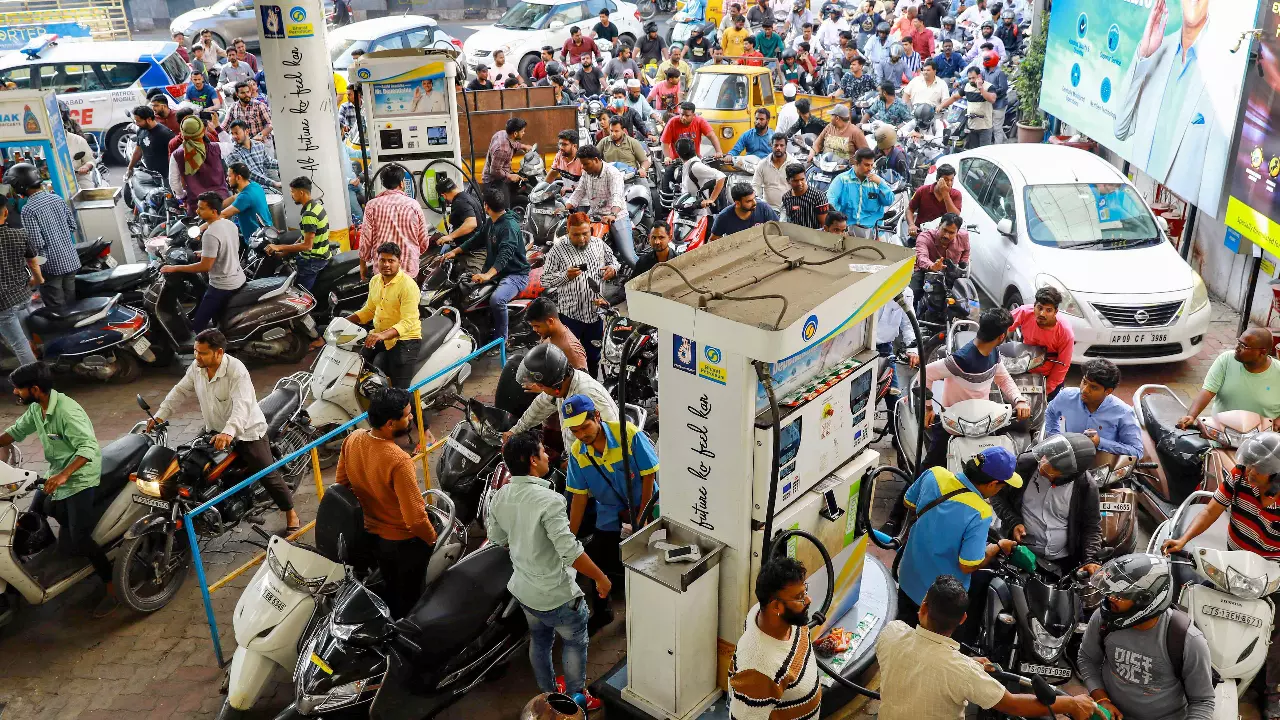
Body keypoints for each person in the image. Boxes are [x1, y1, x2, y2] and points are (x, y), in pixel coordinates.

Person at [488, 431, 611, 711]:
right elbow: (571, 551)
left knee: (540, 641)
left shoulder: (501, 494)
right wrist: (601, 578)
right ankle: (576, 699)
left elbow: (497, 538)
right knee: (575, 642)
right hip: (557, 595)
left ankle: (548, 694)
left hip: (524, 591)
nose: (547, 456)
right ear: (533, 460)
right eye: (543, 452)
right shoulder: (550, 501)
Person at [878, 575, 1099, 720]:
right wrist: (1070, 703)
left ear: (923, 608)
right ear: (963, 619)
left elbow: (923, 661)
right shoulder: (962, 671)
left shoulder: (892, 633)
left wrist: (970, 663)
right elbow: (1013, 705)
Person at [0, 363, 117, 615]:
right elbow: (15, 432)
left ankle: (111, 588)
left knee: (81, 538)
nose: (14, 393)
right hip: (54, 474)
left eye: (18, 389)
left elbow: (88, 448)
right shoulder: (37, 408)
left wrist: (65, 475)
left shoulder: (67, 412)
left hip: (79, 479)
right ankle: (58, 560)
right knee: (32, 518)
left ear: (34, 389)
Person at [153, 326, 298, 529]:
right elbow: (180, 391)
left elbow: (242, 405)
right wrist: (161, 415)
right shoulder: (197, 368)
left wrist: (229, 432)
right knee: (194, 465)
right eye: (195, 351)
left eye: (202, 353)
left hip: (246, 431)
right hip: (215, 430)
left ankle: (291, 513)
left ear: (219, 352)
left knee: (267, 473)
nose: (197, 357)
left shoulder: (236, 371)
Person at [334, 388, 437, 618]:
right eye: (408, 415)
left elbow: (341, 485)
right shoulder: (398, 460)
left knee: (391, 589)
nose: (412, 417)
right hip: (401, 543)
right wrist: (431, 539)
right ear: (390, 423)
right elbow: (416, 519)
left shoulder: (353, 439)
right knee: (410, 598)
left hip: (371, 535)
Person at [1078, 554, 1215, 720]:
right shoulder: (1104, 618)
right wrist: (1102, 699)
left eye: (1120, 595)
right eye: (1110, 592)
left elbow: (1203, 701)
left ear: (1145, 600)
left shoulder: (1188, 641)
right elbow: (1087, 658)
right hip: (1110, 712)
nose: (1109, 599)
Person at [895, 446, 1023, 623]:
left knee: (903, 629)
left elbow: (908, 501)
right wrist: (996, 547)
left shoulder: (935, 474)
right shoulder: (980, 512)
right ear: (993, 484)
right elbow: (968, 565)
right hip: (939, 600)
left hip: (908, 578)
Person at [564, 394, 658, 628]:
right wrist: (568, 537)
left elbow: (649, 475)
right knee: (596, 559)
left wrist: (642, 517)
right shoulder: (578, 452)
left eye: (585, 427)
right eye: (575, 431)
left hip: (644, 508)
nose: (581, 435)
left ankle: (644, 613)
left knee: (647, 563)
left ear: (597, 416)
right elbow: (579, 496)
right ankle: (603, 611)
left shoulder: (628, 434)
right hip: (608, 514)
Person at [992, 433, 1102, 576]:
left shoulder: (1085, 486)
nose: (1043, 466)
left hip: (1063, 562)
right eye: (1045, 458)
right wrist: (1014, 522)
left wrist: (1090, 559)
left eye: (1052, 469)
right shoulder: (1024, 466)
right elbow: (997, 496)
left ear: (1068, 475)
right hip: (1021, 555)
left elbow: (1092, 526)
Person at [727, 556, 823, 719]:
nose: (808, 600)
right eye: (799, 597)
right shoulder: (758, 669)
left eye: (805, 591)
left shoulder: (766, 614)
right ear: (776, 606)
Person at [540, 211, 620, 375]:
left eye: (586, 233)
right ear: (568, 231)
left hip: (595, 315)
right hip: (570, 316)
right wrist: (564, 276)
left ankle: (591, 388)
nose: (582, 238)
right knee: (570, 359)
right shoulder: (558, 250)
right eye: (576, 235)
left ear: (590, 229)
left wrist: (613, 269)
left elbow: (615, 262)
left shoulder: (599, 244)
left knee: (593, 357)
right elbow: (544, 280)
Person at [507, 343, 619, 453]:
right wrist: (516, 430)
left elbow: (614, 436)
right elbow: (540, 406)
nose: (541, 390)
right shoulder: (562, 386)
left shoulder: (587, 394)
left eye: (541, 386)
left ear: (556, 385)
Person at [163, 192, 245, 332]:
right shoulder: (229, 224)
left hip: (222, 286)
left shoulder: (210, 233)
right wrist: (204, 253)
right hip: (239, 278)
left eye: (201, 208)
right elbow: (227, 248)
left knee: (199, 325)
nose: (196, 211)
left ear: (213, 211)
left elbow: (205, 266)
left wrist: (175, 268)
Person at [346, 243, 422, 389]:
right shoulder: (375, 281)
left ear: (399, 262)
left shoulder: (408, 286)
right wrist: (345, 322)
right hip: (380, 335)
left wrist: (382, 336)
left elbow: (408, 322)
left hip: (405, 340)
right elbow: (369, 309)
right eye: (382, 260)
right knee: (359, 367)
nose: (386, 264)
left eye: (391, 261)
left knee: (399, 392)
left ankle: (409, 412)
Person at [1176, 327, 1280, 430]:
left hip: (1261, 439)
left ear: (1262, 352)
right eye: (1238, 342)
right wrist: (1192, 416)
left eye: (1243, 346)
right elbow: (1208, 391)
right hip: (1222, 433)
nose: (1237, 348)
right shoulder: (1226, 360)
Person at [1046, 359, 1144, 459]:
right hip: (1070, 459)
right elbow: (1050, 412)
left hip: (1103, 467)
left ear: (1108, 391)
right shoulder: (1066, 396)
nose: (1084, 390)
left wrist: (1100, 443)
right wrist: (1055, 437)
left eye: (1093, 387)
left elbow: (1136, 452)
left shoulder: (1123, 413)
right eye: (1084, 382)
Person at [12, 164, 79, 310]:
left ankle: (63, 330)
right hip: (71, 259)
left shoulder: (28, 209)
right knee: (72, 304)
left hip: (51, 265)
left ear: (20, 186)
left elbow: (36, 243)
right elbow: (72, 226)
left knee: (58, 308)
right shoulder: (56, 198)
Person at [563, 146, 634, 268]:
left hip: (616, 217)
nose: (583, 167)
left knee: (629, 256)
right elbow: (579, 192)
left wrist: (613, 215)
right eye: (582, 165)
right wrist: (565, 208)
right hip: (594, 216)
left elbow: (616, 196)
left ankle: (647, 280)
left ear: (596, 159)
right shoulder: (586, 173)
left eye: (586, 164)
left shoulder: (612, 173)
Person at [359, 164, 430, 281]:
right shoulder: (413, 205)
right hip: (409, 271)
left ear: (383, 184)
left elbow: (365, 240)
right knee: (408, 299)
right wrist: (412, 255)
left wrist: (363, 265)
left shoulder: (372, 205)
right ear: (401, 183)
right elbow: (423, 241)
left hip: (383, 271)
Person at [1008, 286, 1075, 398]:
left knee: (1047, 412)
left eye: (1048, 310)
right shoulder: (1024, 312)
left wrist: (1046, 389)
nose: (1042, 314)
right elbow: (1003, 326)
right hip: (1024, 369)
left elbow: (1063, 364)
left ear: (1055, 312)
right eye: (1039, 308)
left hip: (1049, 377)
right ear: (1034, 306)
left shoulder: (1065, 332)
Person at [265, 176, 331, 291]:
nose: (291, 195)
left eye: (292, 192)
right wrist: (285, 252)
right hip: (322, 254)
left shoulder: (309, 215)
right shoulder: (317, 206)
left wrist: (278, 247)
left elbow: (307, 245)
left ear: (301, 193)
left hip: (313, 260)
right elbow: (305, 236)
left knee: (300, 294)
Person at [0, 199, 38, 364]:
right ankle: (38, 360)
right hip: (23, 297)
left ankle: (35, 382)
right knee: (26, 337)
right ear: (6, 212)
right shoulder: (20, 234)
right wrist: (38, 279)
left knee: (19, 344)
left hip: (4, 304)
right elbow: (33, 261)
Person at [170, 115, 230, 216]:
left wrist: (183, 197)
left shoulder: (177, 155)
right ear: (202, 131)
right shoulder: (216, 148)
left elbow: (174, 183)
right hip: (221, 204)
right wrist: (217, 126)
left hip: (196, 206)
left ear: (183, 133)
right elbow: (229, 144)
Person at [827, 147, 894, 234]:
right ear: (856, 163)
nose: (870, 168)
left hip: (873, 231)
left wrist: (880, 184)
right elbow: (830, 202)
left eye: (871, 165)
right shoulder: (842, 180)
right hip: (847, 230)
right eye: (866, 165)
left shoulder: (877, 182)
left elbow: (889, 201)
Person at [874, 285, 917, 413]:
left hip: (885, 349)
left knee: (894, 396)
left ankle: (895, 430)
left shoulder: (907, 293)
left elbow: (908, 323)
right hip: (863, 350)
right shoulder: (875, 289)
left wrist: (912, 349)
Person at [436, 176, 485, 272]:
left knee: (468, 284)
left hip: (473, 253)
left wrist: (450, 236)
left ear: (443, 195)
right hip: (465, 248)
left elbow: (471, 223)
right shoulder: (467, 197)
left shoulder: (460, 202)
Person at [527, 297, 589, 372]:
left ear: (550, 321)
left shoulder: (572, 350)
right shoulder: (547, 334)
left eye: (537, 326)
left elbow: (581, 381)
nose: (534, 329)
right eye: (533, 326)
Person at [483, 117, 533, 208]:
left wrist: (523, 146)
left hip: (502, 172)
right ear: (515, 133)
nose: (524, 133)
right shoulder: (502, 150)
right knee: (504, 210)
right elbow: (494, 172)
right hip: (495, 181)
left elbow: (513, 143)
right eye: (522, 131)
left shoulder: (502, 133)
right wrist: (509, 176)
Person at [675, 137, 727, 215]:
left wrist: (711, 199)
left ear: (678, 153)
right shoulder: (688, 164)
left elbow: (721, 176)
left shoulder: (696, 167)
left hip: (700, 213)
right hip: (688, 209)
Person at [221, 162, 270, 244]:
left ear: (238, 177)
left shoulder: (245, 197)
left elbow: (223, 215)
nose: (226, 179)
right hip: (267, 232)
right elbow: (234, 197)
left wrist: (201, 228)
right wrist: (215, 206)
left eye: (229, 176)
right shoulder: (254, 186)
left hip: (257, 240)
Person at [906, 163, 961, 236]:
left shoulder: (956, 194)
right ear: (938, 179)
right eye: (946, 180)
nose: (949, 183)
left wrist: (945, 194)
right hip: (921, 233)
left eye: (951, 180)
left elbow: (955, 216)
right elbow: (910, 209)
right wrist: (911, 225)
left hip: (942, 236)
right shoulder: (922, 190)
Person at [710, 185, 779, 241]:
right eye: (749, 201)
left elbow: (777, 229)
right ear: (738, 203)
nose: (754, 203)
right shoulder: (724, 217)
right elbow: (714, 239)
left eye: (754, 198)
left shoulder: (763, 208)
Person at [227, 120, 280, 190]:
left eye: (236, 133)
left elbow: (268, 162)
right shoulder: (232, 152)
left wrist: (285, 164)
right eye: (232, 133)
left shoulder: (259, 145)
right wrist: (273, 183)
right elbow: (249, 173)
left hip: (265, 187)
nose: (234, 136)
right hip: (249, 190)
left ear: (247, 131)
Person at [126, 105, 175, 180]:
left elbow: (175, 157)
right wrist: (130, 168)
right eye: (136, 121)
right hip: (149, 174)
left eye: (139, 121)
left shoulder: (165, 134)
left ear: (148, 119)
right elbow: (138, 151)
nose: (136, 124)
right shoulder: (140, 130)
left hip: (165, 176)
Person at [958, 65, 998, 148]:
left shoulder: (989, 87)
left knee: (984, 152)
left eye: (973, 78)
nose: (971, 80)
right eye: (969, 78)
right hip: (972, 126)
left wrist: (981, 88)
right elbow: (955, 97)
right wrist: (942, 105)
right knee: (973, 151)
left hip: (985, 127)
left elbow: (992, 99)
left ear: (979, 76)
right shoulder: (967, 86)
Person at [782, 163, 830, 229]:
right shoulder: (786, 198)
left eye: (802, 179)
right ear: (788, 181)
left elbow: (824, 225)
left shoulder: (818, 196)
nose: (800, 183)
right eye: (795, 181)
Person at [753, 134, 791, 208]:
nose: (778, 148)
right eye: (776, 145)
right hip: (768, 208)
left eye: (781, 145)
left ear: (786, 146)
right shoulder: (762, 164)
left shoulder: (794, 163)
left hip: (789, 208)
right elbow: (755, 186)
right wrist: (759, 204)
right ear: (771, 145)